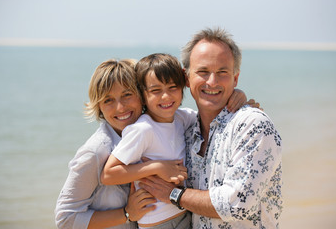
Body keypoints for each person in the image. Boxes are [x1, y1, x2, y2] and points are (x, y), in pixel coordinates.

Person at [139, 28, 283, 228]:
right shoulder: (186, 129)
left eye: (222, 72)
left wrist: (173, 194)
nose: (212, 82)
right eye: (203, 72)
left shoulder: (253, 125)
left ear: (235, 78)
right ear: (186, 78)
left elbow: (236, 204)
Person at [100, 53, 250, 228]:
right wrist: (156, 167)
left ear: (183, 86)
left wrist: (238, 95)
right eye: (156, 90)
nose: (166, 97)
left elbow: (214, 113)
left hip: (183, 211)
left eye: (172, 87)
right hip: (156, 221)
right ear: (142, 94)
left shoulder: (181, 117)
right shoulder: (142, 130)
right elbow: (108, 174)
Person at [55, 59, 157, 229]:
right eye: (108, 100)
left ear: (141, 96)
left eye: (127, 94)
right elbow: (65, 219)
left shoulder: (149, 136)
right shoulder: (95, 152)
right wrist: (126, 213)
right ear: (99, 107)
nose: (120, 107)